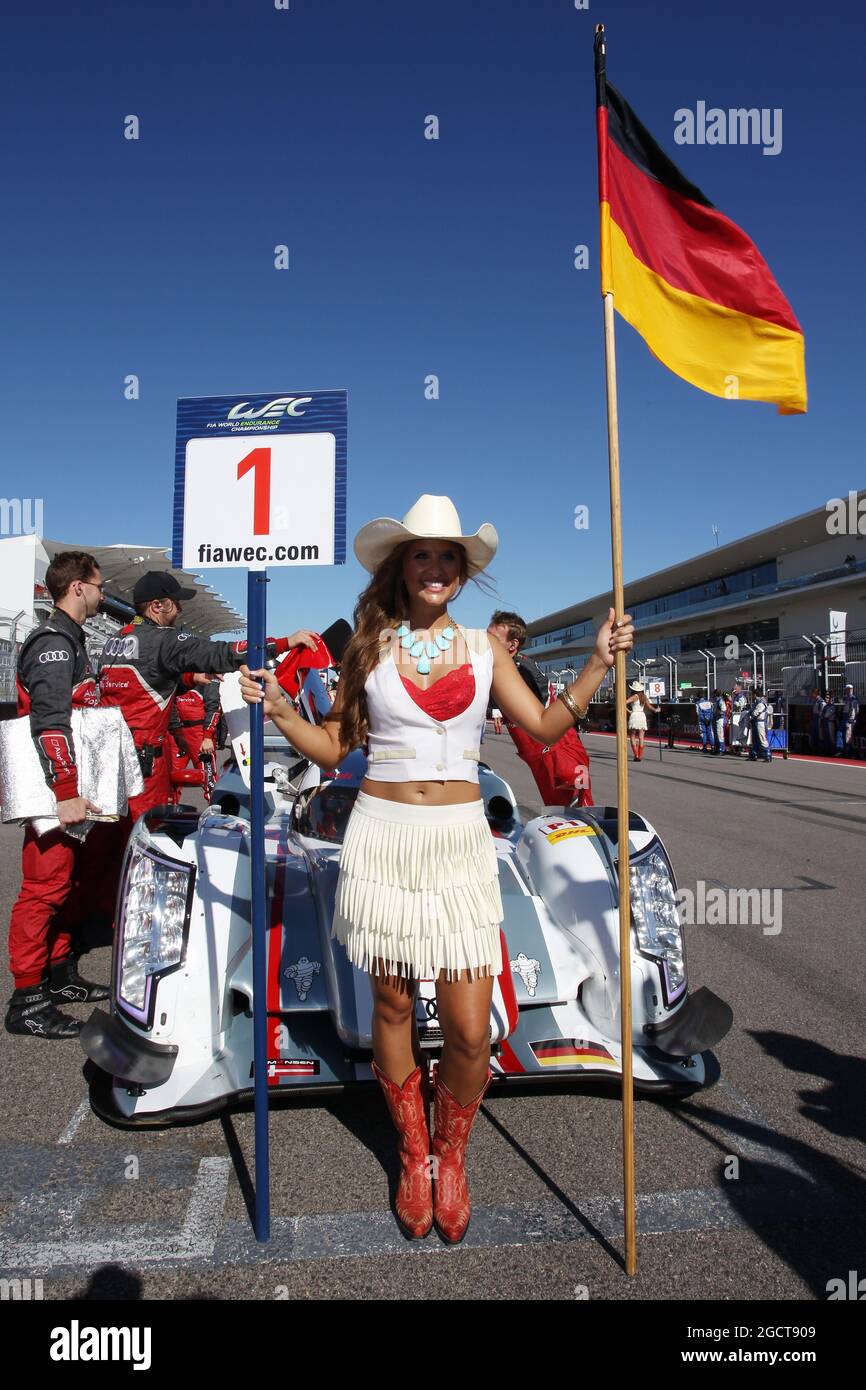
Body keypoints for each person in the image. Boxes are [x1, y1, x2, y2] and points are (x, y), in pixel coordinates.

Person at [239, 493, 634, 1243]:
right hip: (381, 836)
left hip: (458, 841)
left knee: (466, 1028)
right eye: (422, 554)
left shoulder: (489, 649)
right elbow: (332, 749)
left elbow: (545, 726)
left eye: (447, 557)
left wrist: (595, 663)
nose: (435, 567)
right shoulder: (368, 647)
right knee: (389, 1007)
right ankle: (413, 1154)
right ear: (401, 567)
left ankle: (453, 1152)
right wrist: (282, 712)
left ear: (460, 574)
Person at [89, 570, 315, 915]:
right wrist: (285, 642)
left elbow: (145, 674)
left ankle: (108, 914)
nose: (179, 609)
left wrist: (188, 675)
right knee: (145, 848)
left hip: (106, 763)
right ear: (157, 606)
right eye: (175, 603)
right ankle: (143, 919)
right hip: (142, 766)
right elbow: (225, 652)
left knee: (110, 848)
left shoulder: (116, 640)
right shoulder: (164, 640)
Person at [5, 552, 110, 1039]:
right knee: (43, 889)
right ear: (77, 588)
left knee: (66, 884)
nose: (103, 594)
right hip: (53, 791)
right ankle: (27, 998)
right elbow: (50, 720)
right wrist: (65, 792)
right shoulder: (53, 641)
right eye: (98, 585)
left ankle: (60, 974)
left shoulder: (72, 639)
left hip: (70, 787)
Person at [486, 611, 594, 805]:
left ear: (513, 644)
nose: (486, 643)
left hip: (561, 755)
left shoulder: (522, 670)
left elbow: (549, 711)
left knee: (574, 820)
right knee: (561, 815)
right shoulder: (508, 666)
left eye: (493, 638)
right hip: (544, 754)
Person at [626, 681, 660, 762]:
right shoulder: (644, 696)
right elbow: (649, 706)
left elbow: (623, 703)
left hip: (634, 715)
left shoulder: (634, 696)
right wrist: (656, 710)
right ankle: (640, 755)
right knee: (641, 736)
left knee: (632, 735)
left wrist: (629, 711)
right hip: (642, 715)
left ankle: (636, 755)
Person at [748, 687, 772, 764]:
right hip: (755, 721)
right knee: (755, 739)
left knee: (762, 738)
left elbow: (755, 712)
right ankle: (754, 754)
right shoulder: (757, 702)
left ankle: (767, 754)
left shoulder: (761, 703)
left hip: (760, 722)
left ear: (755, 694)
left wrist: (751, 713)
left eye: (753, 694)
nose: (752, 696)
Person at [839, 684, 859, 755]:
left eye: (848, 689)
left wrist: (851, 720)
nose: (847, 691)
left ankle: (850, 752)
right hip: (845, 717)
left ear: (851, 689)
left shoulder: (853, 698)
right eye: (846, 689)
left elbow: (855, 710)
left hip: (849, 719)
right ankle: (845, 750)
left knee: (849, 736)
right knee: (844, 735)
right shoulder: (845, 698)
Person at [711, 688, 728, 755]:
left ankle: (721, 749)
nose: (713, 695)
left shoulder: (721, 700)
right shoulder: (716, 700)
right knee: (715, 734)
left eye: (714, 694)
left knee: (719, 734)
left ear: (716, 694)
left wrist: (717, 712)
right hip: (715, 718)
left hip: (720, 719)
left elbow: (723, 710)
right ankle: (717, 748)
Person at [810, 689, 825, 754]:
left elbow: (822, 712)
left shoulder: (821, 701)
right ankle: (814, 748)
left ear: (816, 694)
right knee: (814, 734)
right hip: (814, 718)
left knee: (819, 734)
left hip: (819, 719)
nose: (812, 695)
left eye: (813, 693)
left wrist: (820, 719)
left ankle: (820, 749)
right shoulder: (815, 701)